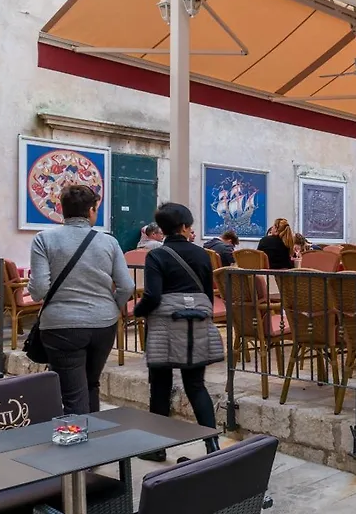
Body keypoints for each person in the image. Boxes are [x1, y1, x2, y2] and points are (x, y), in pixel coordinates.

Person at [28, 185, 134, 415]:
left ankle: (79, 435)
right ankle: (94, 433)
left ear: (61, 209)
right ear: (92, 210)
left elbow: (38, 290)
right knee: (91, 383)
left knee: (72, 394)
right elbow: (127, 286)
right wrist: (112, 307)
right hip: (103, 324)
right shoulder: (109, 242)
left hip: (61, 325)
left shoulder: (44, 239)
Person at [134, 203, 221, 460]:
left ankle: (157, 448)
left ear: (162, 229)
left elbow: (153, 295)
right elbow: (207, 294)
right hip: (195, 324)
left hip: (164, 327)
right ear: (184, 227)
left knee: (160, 386)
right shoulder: (202, 255)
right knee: (196, 385)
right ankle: (212, 445)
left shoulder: (156, 256)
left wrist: (138, 311)